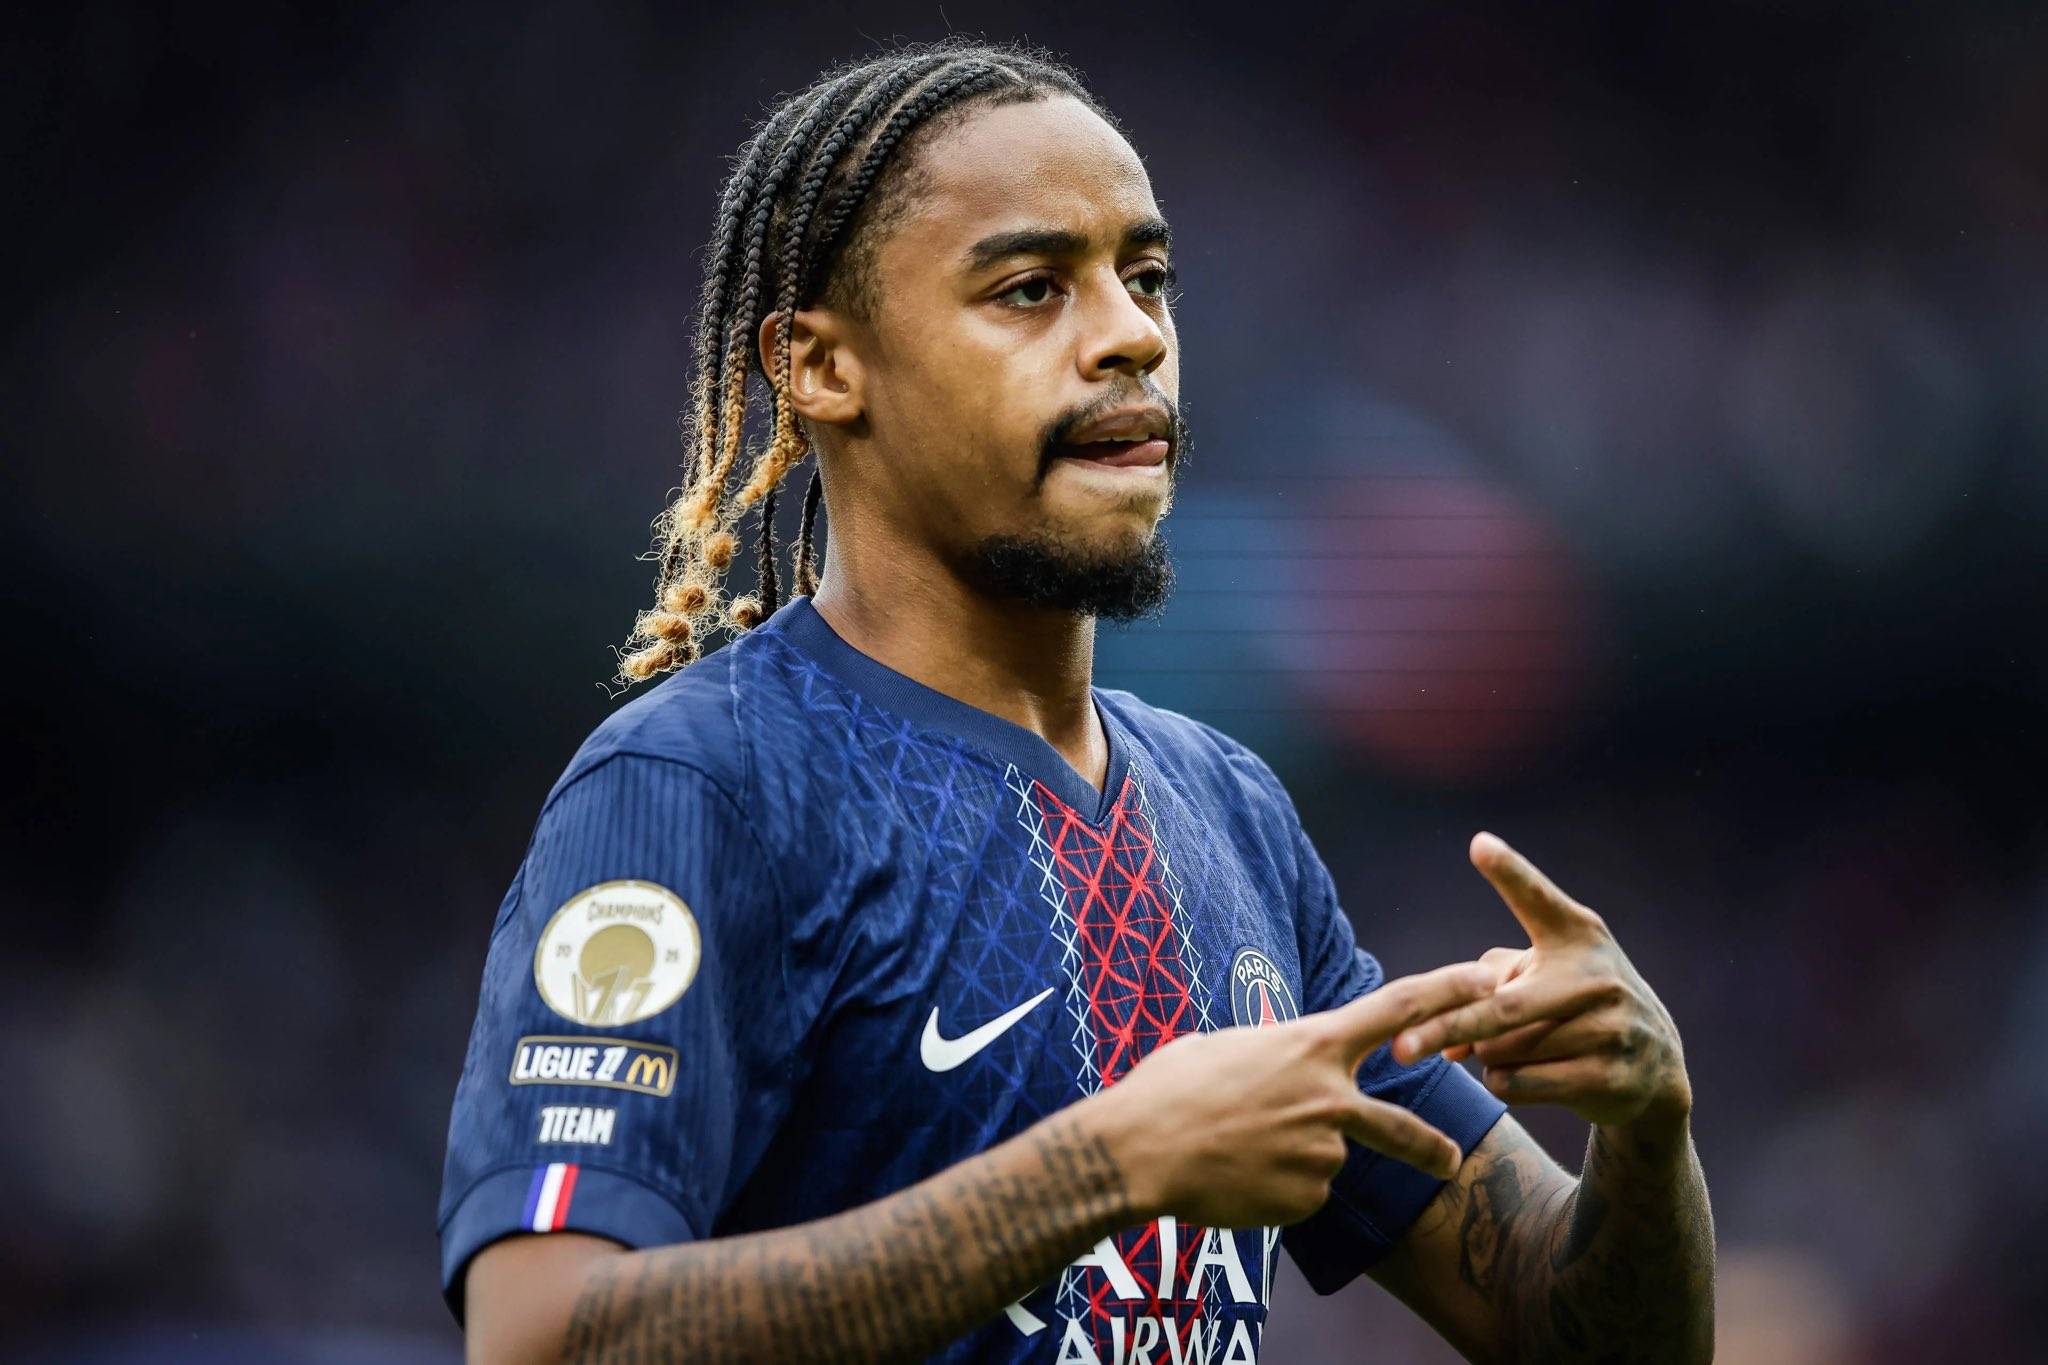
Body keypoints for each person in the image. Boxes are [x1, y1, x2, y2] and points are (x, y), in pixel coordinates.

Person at [438, 38, 1714, 1364]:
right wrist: (1107, 1166)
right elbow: (539, 1340)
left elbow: (1580, 1342)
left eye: (1145, 278)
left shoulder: (1231, 810)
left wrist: (1646, 1128)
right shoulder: (698, 787)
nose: (1133, 335)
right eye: (1032, 288)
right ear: (822, 367)